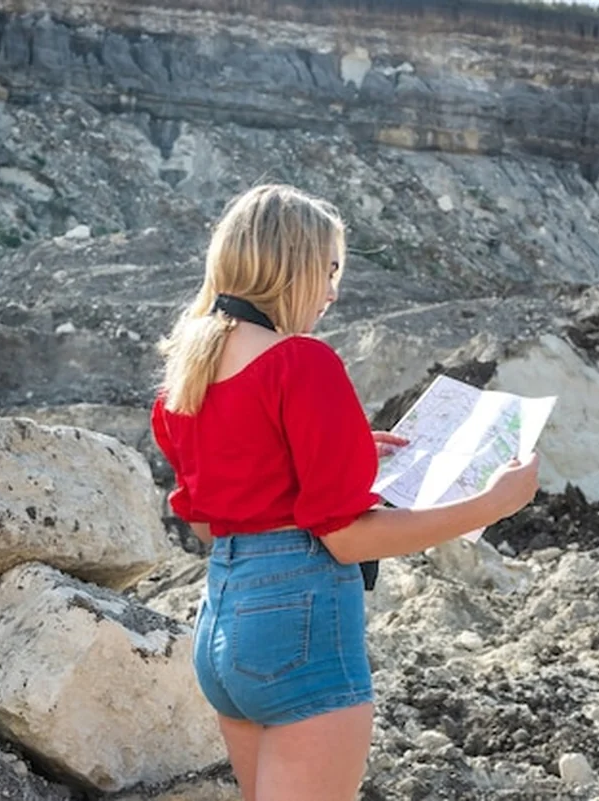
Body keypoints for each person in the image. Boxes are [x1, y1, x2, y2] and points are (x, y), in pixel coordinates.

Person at [150, 184, 540, 801]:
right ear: (289, 265)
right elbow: (346, 539)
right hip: (298, 630)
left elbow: (209, 522)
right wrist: (492, 504)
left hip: (222, 626)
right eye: (328, 270)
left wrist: (341, 450)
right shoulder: (300, 362)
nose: (332, 291)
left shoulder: (189, 373)